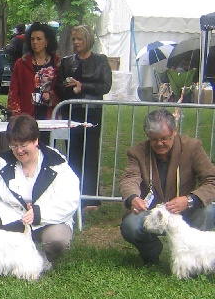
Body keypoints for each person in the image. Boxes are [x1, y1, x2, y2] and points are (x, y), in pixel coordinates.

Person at [0, 114, 80, 262]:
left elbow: (70, 200)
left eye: (23, 145)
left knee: (57, 239)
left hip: (48, 220)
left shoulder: (56, 163)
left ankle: (45, 258)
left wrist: (38, 213)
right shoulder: (5, 161)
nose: (19, 151)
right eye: (14, 146)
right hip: (16, 216)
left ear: (35, 140)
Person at [120, 109, 215, 265]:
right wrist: (133, 197)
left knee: (209, 210)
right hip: (151, 212)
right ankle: (153, 253)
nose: (159, 143)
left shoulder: (192, 147)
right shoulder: (137, 152)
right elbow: (130, 178)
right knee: (131, 225)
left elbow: (212, 180)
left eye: (165, 138)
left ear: (175, 132)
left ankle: (198, 259)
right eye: (154, 139)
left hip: (187, 210)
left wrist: (190, 199)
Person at [56, 24, 112, 209]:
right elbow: (59, 86)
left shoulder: (101, 60)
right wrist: (68, 86)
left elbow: (105, 86)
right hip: (72, 111)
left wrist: (83, 87)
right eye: (74, 39)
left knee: (90, 152)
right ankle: (73, 193)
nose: (76, 42)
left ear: (88, 40)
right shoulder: (67, 61)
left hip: (92, 111)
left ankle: (90, 196)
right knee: (73, 153)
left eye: (80, 39)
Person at [7, 22, 60, 120]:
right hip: (26, 116)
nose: (35, 42)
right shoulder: (21, 63)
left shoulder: (57, 63)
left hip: (49, 114)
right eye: (32, 39)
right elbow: (13, 91)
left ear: (47, 41)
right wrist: (15, 114)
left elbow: (61, 89)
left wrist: (51, 96)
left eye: (39, 39)